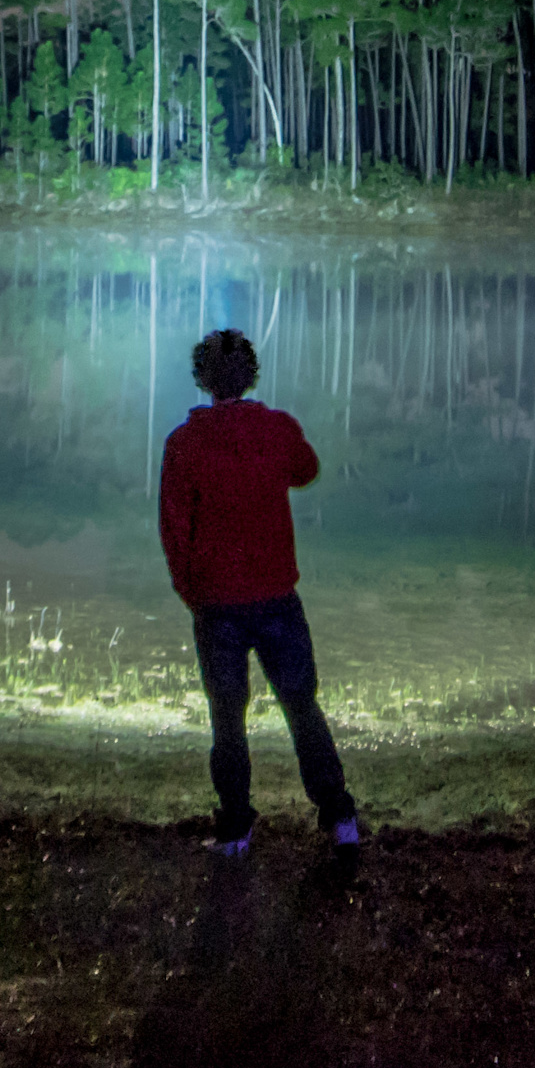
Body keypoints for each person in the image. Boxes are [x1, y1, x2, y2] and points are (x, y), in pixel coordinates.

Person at [157, 326, 360, 858]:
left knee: (227, 718)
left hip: (216, 603)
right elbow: (307, 469)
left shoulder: (183, 444)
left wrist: (189, 588)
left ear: (202, 378)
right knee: (302, 706)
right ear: (251, 375)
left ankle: (235, 828)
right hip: (276, 596)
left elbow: (174, 526)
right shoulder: (276, 429)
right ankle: (338, 814)